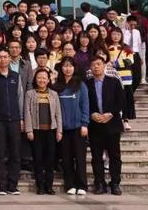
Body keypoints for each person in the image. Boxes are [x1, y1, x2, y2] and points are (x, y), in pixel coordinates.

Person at [0, 47, 24, 195]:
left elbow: (20, 97)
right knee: (0, 154)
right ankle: (1, 186)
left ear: (9, 59)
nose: (3, 59)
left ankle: (12, 185)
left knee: (15, 154)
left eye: (5, 57)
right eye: (0, 57)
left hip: (14, 120)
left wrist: (21, 118)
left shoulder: (16, 76)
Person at [87, 55, 125, 195]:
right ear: (90, 67)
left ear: (104, 65)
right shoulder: (87, 84)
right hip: (95, 124)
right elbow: (84, 102)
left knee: (114, 156)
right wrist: (91, 114)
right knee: (96, 157)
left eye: (98, 64)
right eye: (93, 65)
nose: (96, 67)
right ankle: (100, 183)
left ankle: (115, 183)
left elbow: (121, 101)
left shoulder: (114, 82)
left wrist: (111, 113)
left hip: (112, 124)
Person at [53, 56, 90, 195]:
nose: (67, 69)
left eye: (70, 66)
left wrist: (84, 124)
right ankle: (70, 184)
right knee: (66, 158)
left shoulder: (80, 85)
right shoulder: (57, 86)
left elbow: (85, 105)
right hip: (62, 129)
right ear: (61, 68)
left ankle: (82, 185)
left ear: (74, 68)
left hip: (78, 127)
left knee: (80, 158)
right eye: (65, 66)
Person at [24, 68, 63, 195]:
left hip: (51, 131)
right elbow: (27, 113)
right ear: (35, 79)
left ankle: (49, 186)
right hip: (36, 131)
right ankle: (40, 185)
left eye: (44, 78)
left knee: (50, 160)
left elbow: (58, 113)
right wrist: (29, 130)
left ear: (48, 80)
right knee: (38, 159)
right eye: (39, 77)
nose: (42, 80)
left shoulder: (54, 94)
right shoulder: (30, 94)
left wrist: (59, 131)